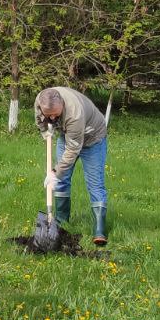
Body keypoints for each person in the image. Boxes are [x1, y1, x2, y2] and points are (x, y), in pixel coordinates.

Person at [34, 86, 109, 246]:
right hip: (67, 134)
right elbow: (39, 118)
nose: (52, 117)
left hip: (93, 138)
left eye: (56, 114)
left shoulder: (74, 113)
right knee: (62, 180)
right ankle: (61, 222)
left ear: (62, 103)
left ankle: (99, 230)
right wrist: (44, 131)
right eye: (49, 115)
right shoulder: (41, 100)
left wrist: (55, 172)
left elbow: (73, 149)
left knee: (95, 183)